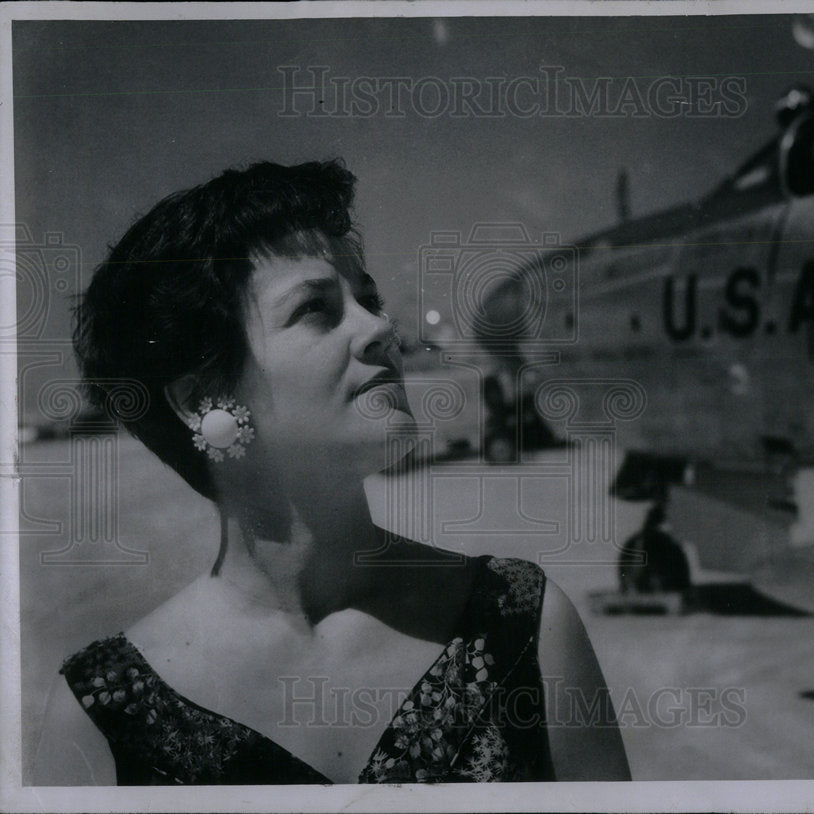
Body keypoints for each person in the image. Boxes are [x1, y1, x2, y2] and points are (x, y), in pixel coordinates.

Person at [33, 160, 630, 785]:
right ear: (200, 400)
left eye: (367, 300)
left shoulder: (523, 624)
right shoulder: (97, 719)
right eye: (317, 308)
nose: (380, 328)